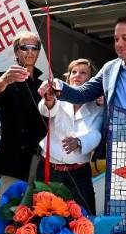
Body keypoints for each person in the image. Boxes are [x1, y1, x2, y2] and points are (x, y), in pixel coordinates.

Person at [0, 32, 46, 192]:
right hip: (14, 161)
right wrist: (3, 81)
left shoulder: (43, 85)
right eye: (25, 47)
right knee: (12, 206)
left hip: (41, 161)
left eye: (34, 48)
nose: (30, 51)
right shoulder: (3, 78)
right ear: (16, 51)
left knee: (40, 206)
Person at [39, 59, 104, 215]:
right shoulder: (56, 96)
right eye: (74, 72)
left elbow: (96, 134)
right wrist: (48, 100)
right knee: (46, 218)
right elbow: (46, 110)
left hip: (79, 173)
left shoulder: (98, 106)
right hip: (49, 169)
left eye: (83, 73)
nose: (77, 75)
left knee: (86, 217)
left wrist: (80, 142)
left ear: (91, 81)